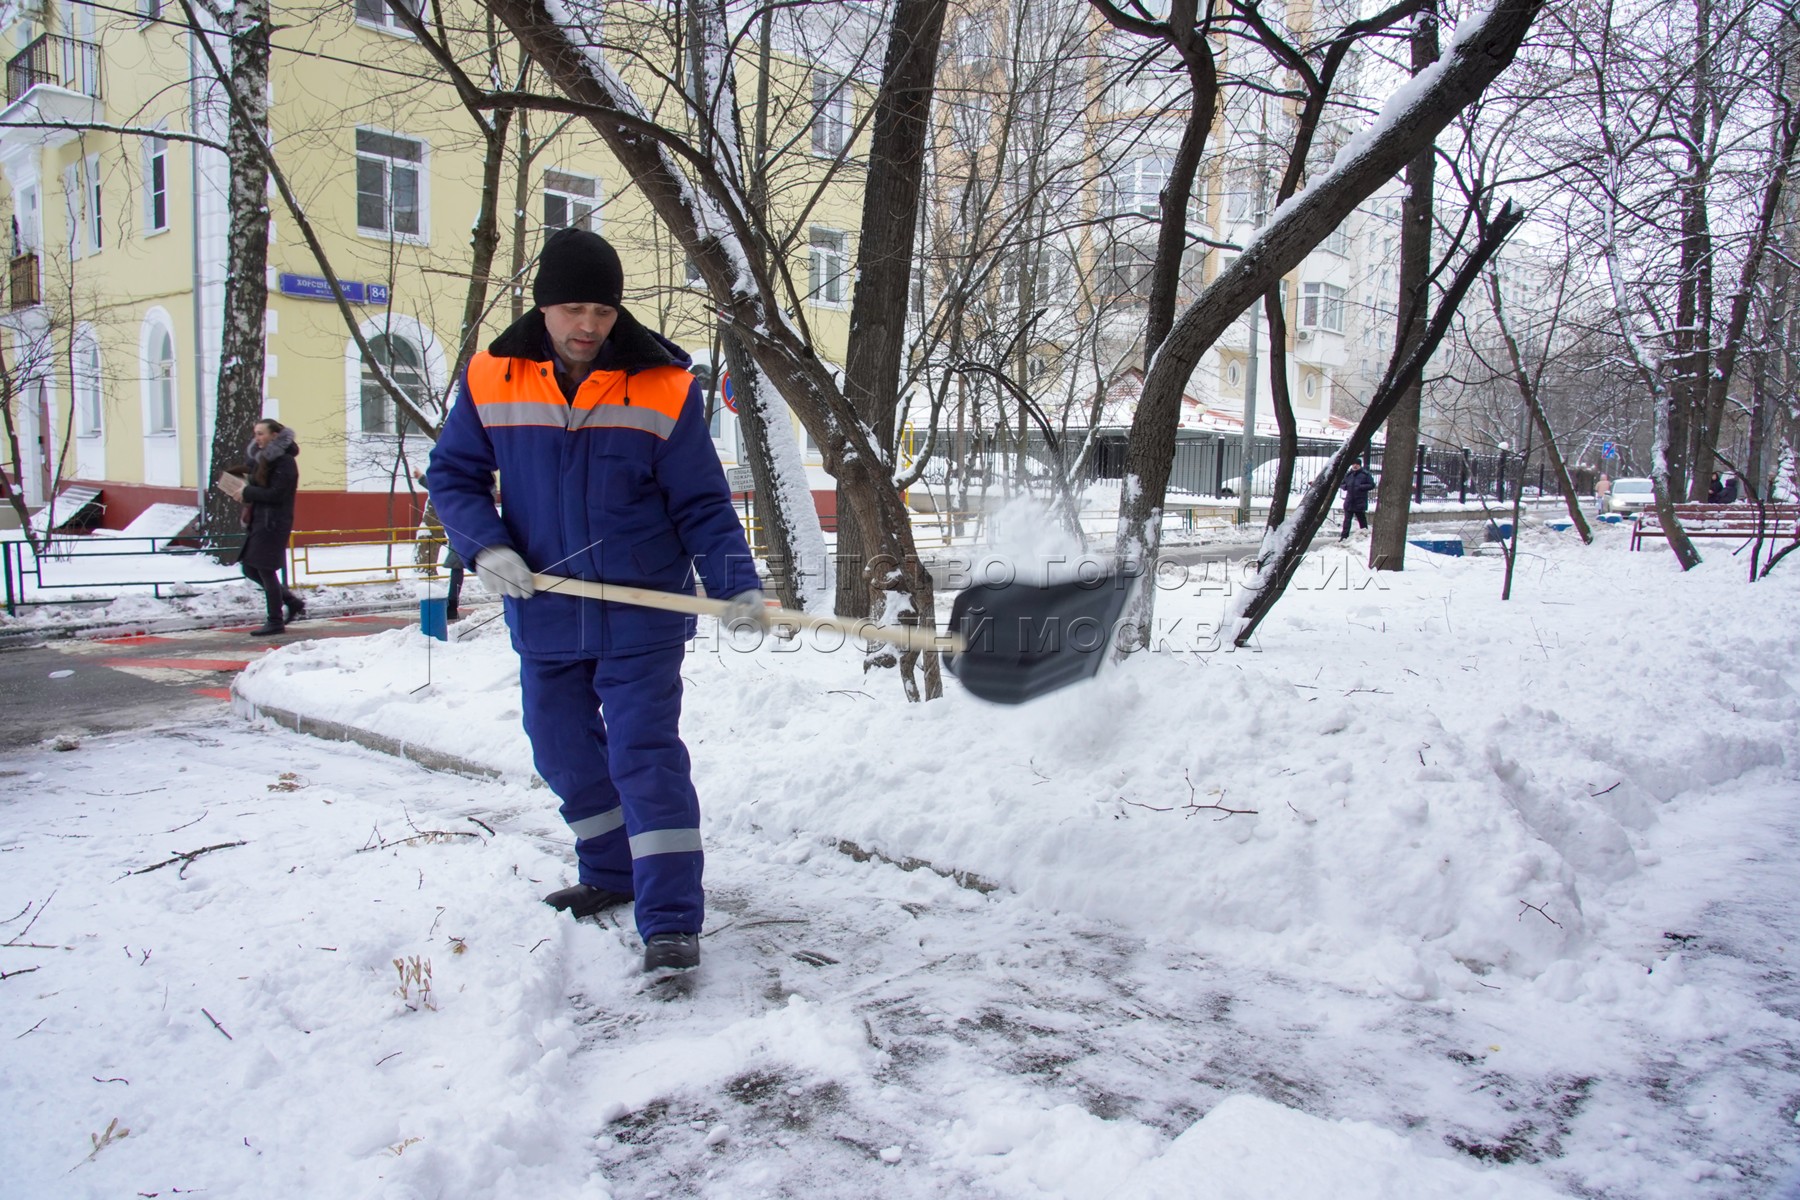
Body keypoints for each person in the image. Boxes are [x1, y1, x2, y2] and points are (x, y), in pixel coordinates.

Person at [427, 228, 765, 974]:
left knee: (646, 759)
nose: (588, 326)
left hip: (643, 610)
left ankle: (672, 917)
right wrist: (486, 545)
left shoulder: (665, 384)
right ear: (543, 307)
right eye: (573, 308)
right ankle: (610, 871)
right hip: (544, 604)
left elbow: (702, 503)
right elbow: (452, 476)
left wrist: (734, 579)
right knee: (563, 750)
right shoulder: (492, 378)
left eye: (603, 311)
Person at [235, 419, 305, 637]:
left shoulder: (284, 462)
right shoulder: (260, 460)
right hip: (259, 520)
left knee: (265, 569)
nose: (257, 438)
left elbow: (277, 494)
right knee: (249, 568)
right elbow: (256, 485)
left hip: (273, 522)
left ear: (275, 435)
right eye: (255, 433)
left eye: (261, 433)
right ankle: (291, 602)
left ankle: (275, 621)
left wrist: (247, 493)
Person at [415, 469, 465, 621]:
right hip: (466, 533)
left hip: (467, 532)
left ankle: (451, 607)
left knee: (461, 569)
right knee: (461, 568)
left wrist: (422, 478)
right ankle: (451, 606)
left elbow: (440, 488)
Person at [1339, 457, 1376, 539]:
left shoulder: (1365, 474)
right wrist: (1345, 486)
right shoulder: (1349, 474)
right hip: (1349, 501)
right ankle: (1344, 537)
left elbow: (1372, 485)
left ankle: (1365, 535)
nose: (1355, 466)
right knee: (1347, 521)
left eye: (1357, 464)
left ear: (1360, 465)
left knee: (1361, 520)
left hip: (1360, 501)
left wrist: (1361, 487)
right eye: (1353, 464)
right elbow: (1342, 483)